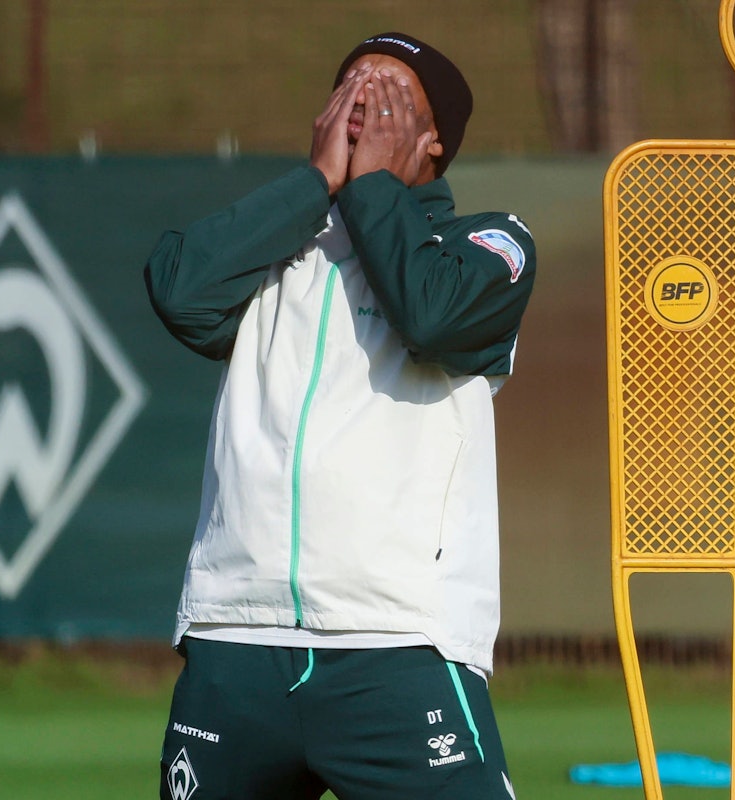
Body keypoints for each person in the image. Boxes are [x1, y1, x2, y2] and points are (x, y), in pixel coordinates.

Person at [144, 31, 536, 800]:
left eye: (389, 96)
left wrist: (367, 192)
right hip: (236, 640)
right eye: (351, 87)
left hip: (396, 643)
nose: (363, 102)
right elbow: (180, 290)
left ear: (433, 140)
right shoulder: (279, 250)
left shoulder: (484, 242)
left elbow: (434, 317)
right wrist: (316, 181)